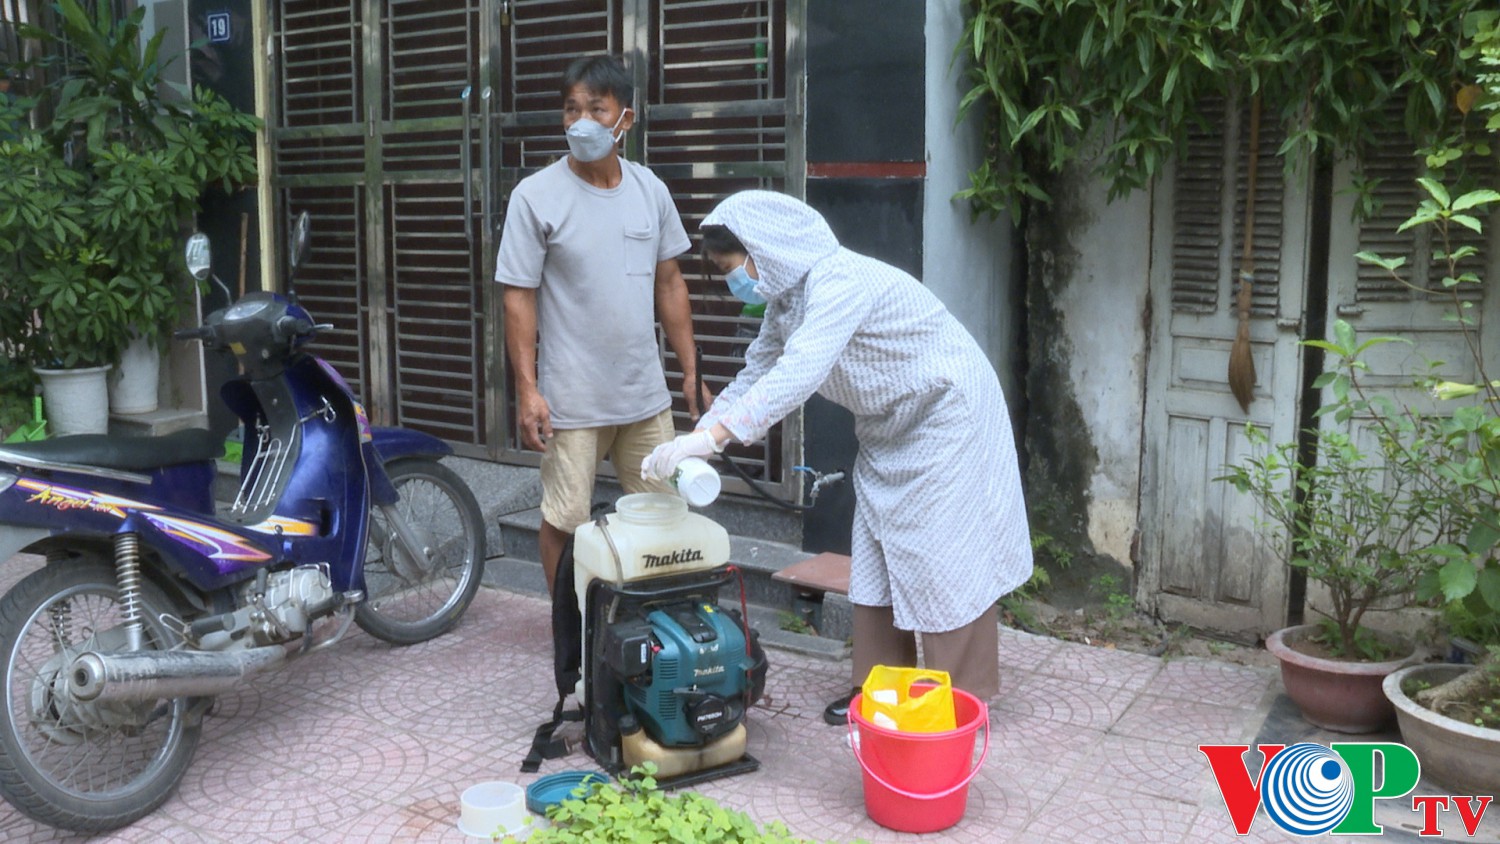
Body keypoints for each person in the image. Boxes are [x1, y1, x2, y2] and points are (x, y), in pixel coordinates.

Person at [642, 190, 1032, 724]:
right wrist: (698, 435)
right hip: (890, 428)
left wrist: (712, 441)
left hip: (947, 418)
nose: (738, 284)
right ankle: (877, 694)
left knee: (945, 557)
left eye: (735, 268)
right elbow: (758, 373)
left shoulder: (838, 281)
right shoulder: (786, 303)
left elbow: (799, 372)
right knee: (875, 552)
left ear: (767, 249)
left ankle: (960, 701)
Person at [496, 55, 708, 596]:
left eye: (596, 108)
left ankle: (653, 618)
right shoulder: (535, 196)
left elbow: (670, 285)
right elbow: (518, 297)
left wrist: (690, 371)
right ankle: (569, 629)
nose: (581, 121)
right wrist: (528, 390)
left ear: (625, 121)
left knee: (666, 514)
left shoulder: (650, 190)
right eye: (572, 109)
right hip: (572, 401)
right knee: (565, 520)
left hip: (643, 395)